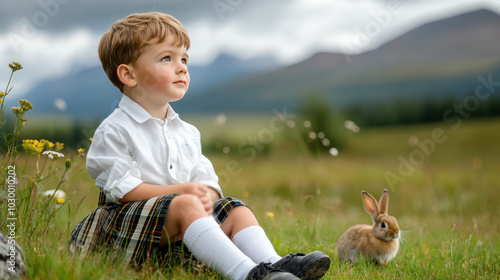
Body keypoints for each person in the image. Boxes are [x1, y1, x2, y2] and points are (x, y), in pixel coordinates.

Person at [69, 12, 331, 280]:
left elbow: (205, 182)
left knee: (234, 209)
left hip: (174, 233)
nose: (182, 67)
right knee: (184, 204)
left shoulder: (187, 133)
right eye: (166, 58)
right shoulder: (115, 130)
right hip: (124, 231)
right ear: (129, 74)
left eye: (184, 59)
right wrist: (182, 193)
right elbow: (123, 189)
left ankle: (275, 265)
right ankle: (248, 274)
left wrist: (208, 198)